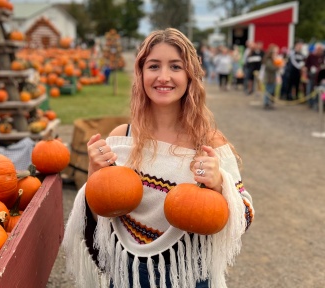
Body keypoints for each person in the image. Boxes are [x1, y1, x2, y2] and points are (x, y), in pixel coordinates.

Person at [62, 28, 254, 288]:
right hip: (125, 273)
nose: (164, 77)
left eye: (175, 66)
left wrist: (220, 184)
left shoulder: (209, 142)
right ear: (140, 74)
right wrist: (94, 174)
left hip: (188, 274)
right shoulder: (122, 137)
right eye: (154, 66)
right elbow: (100, 214)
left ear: (190, 76)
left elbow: (244, 217)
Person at [261, 44, 281, 110]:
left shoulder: (272, 59)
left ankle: (269, 103)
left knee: (271, 91)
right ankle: (266, 103)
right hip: (269, 78)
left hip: (272, 78)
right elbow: (271, 68)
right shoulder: (268, 59)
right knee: (268, 91)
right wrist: (278, 66)